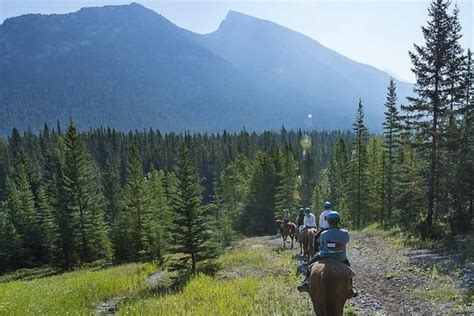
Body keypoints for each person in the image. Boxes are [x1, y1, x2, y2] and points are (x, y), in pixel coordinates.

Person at [297, 211, 357, 298]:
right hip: (340, 257)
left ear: (328, 222)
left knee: (310, 266)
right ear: (338, 221)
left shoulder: (324, 234)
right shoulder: (345, 233)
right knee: (349, 269)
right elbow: (346, 241)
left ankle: (306, 282)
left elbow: (322, 245)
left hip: (324, 255)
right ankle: (351, 287)